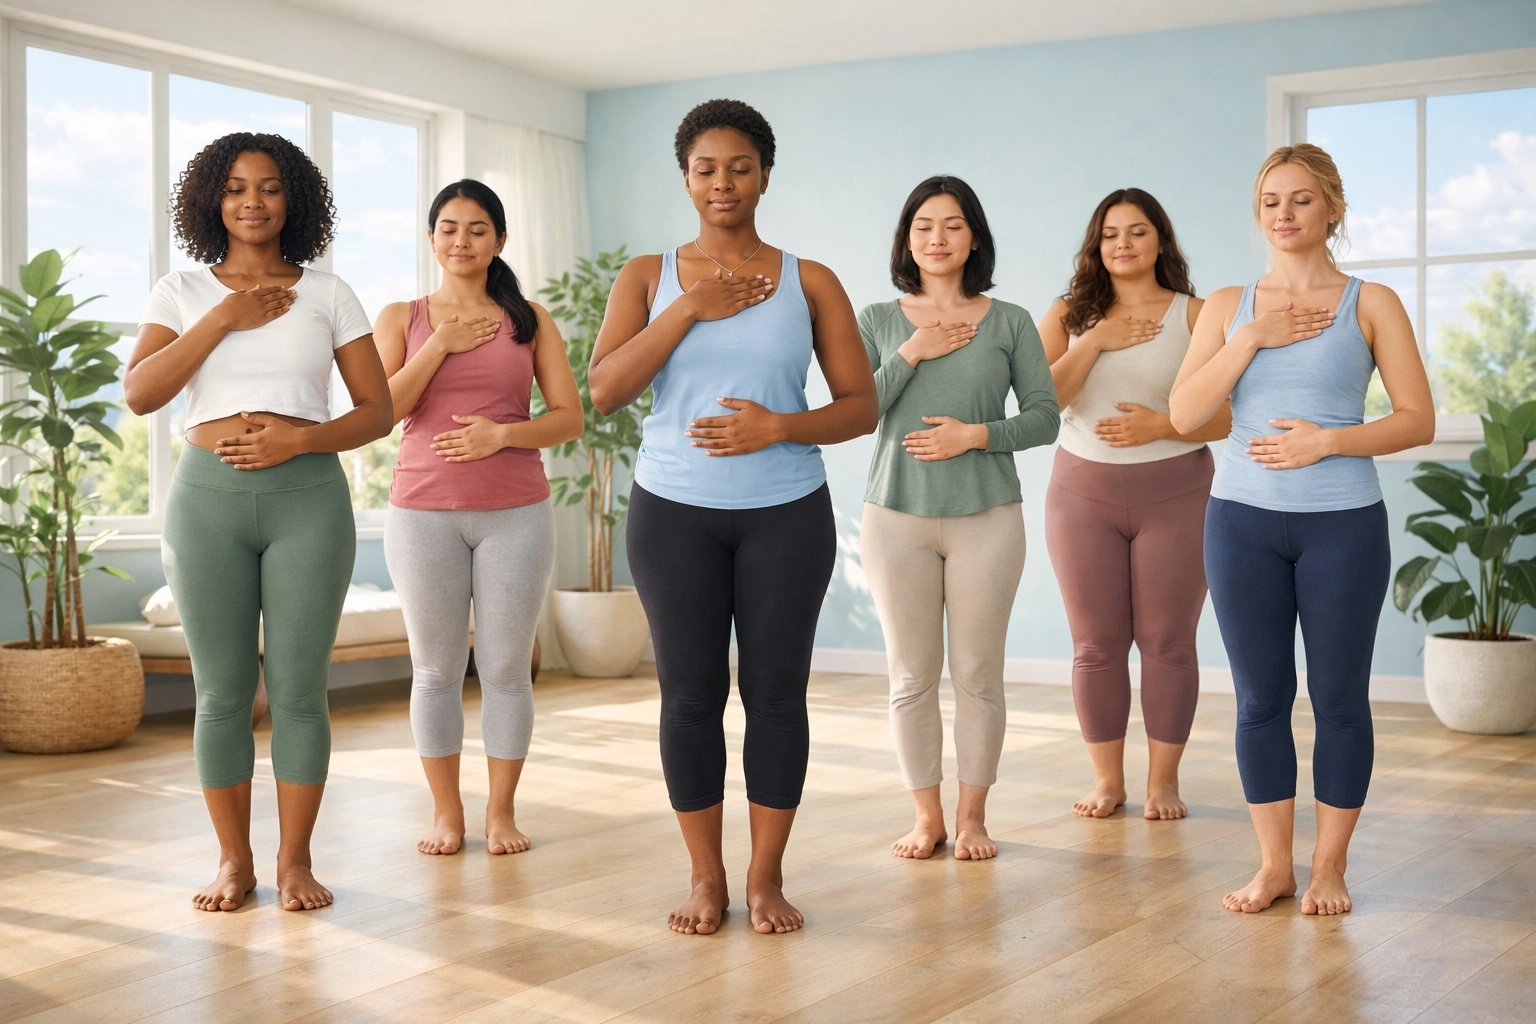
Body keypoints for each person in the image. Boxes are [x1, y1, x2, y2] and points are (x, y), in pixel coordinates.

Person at [588, 99, 877, 936]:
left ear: (765, 176)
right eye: (706, 169)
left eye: (740, 167)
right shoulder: (647, 276)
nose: (723, 183)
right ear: (685, 178)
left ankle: (765, 880)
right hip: (672, 511)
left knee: (777, 695)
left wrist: (778, 426)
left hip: (786, 513)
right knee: (690, 696)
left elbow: (860, 407)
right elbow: (604, 390)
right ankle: (705, 879)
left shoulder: (810, 279)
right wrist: (688, 308)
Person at [124, 133, 393, 912]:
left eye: (270, 187)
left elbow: (376, 412)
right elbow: (141, 395)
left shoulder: (330, 293)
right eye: (237, 187)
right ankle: (233, 863)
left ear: (293, 200)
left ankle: (295, 864)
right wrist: (225, 318)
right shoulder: (178, 291)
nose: (252, 201)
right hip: (205, 499)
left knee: (301, 690)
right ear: (213, 199)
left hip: (308, 496)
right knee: (221, 692)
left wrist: (303, 437)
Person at [1169, 144, 1433, 915]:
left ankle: (1330, 868)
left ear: (1334, 210)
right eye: (1270, 202)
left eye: (1301, 200)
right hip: (1241, 521)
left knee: (1340, 697)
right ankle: (1275, 866)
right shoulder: (1225, 306)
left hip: (1343, 525)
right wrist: (1251, 337)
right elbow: (1186, 416)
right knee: (1259, 698)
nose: (1284, 215)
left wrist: (1327, 440)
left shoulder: (1371, 301)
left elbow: (1418, 420)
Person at [374, 180, 583, 857]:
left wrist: (502, 436)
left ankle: (500, 814)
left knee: (503, 670)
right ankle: (445, 815)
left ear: (498, 241)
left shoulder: (531, 320)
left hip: (516, 513)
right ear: (431, 238)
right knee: (434, 670)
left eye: (477, 229)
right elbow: (382, 412)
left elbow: (568, 418)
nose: (461, 241)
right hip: (422, 513)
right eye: (448, 228)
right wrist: (440, 344)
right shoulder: (400, 317)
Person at [858, 176, 1059, 861]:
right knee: (911, 675)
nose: (936, 238)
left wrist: (975, 435)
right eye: (922, 226)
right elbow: (858, 410)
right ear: (906, 240)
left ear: (973, 236)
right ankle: (926, 817)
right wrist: (915, 350)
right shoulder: (879, 320)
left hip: (987, 516)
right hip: (895, 517)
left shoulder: (1009, 321)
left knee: (977, 672)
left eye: (950, 225)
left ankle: (972, 818)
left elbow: (1045, 418)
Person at [1038, 189, 1230, 821]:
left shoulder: (1197, 315)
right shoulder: (1068, 314)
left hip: (1176, 493)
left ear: (1160, 242)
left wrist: (1164, 427)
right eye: (1110, 233)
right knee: (1094, 645)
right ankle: (1107, 781)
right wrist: (1095, 341)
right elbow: (1042, 406)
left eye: (1138, 232)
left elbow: (1229, 415)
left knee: (1168, 643)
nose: (1123, 244)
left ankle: (1163, 783)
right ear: (1096, 245)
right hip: (1081, 496)